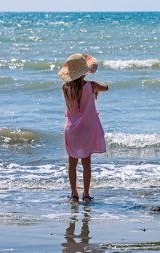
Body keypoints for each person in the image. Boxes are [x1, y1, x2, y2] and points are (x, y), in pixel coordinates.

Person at [58, 53, 108, 203]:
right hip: (87, 130)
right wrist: (96, 90)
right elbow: (106, 87)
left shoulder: (65, 88)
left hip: (71, 130)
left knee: (72, 164)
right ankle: (86, 195)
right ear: (84, 71)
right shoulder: (90, 86)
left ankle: (74, 195)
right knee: (86, 164)